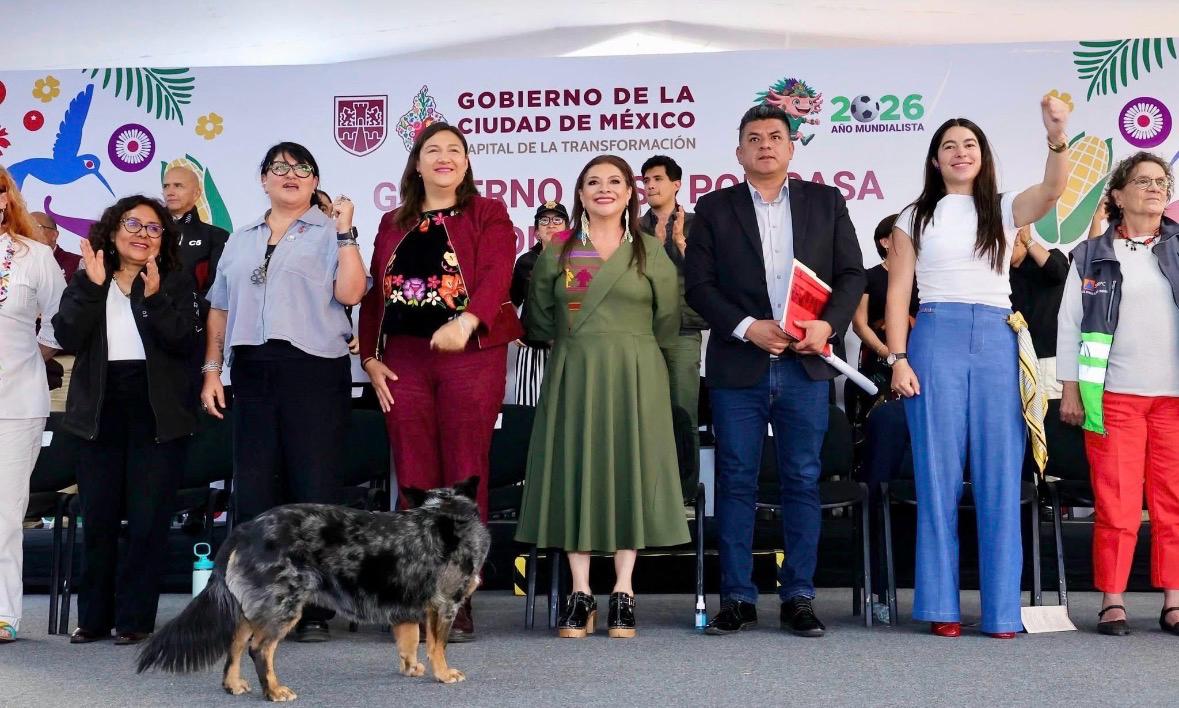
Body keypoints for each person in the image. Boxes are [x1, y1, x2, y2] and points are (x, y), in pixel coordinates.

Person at [886, 96, 1070, 639]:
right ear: (935, 159)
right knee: (937, 476)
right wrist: (897, 358)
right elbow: (898, 296)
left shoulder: (1006, 207)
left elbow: (1055, 189)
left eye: (970, 145)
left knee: (999, 477)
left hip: (997, 337)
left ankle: (1000, 612)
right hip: (935, 338)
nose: (960, 153)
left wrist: (1057, 134)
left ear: (983, 156)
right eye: (949, 146)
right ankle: (941, 606)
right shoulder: (912, 216)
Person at [685, 104, 866, 638]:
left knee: (803, 480)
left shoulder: (825, 202)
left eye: (775, 137)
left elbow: (852, 274)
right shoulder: (714, 208)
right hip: (740, 363)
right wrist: (746, 326)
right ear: (739, 152)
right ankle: (738, 597)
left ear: (791, 148)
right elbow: (699, 286)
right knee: (736, 479)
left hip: (805, 363)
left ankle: (800, 597)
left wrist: (827, 327)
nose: (765, 145)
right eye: (754, 138)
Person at [357, 123, 521, 642]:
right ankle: (413, 596)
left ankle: (456, 600)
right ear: (417, 164)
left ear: (467, 163)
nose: (445, 157)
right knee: (413, 480)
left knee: (464, 478)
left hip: (470, 355)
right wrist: (368, 357)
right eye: (434, 150)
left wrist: (468, 321)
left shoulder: (488, 213)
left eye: (455, 150)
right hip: (404, 360)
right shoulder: (391, 221)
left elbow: (498, 272)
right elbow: (375, 295)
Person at [515, 154, 688, 639]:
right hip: (576, 370)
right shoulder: (562, 249)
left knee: (628, 472)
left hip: (637, 372)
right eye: (594, 182)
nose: (605, 189)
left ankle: (625, 592)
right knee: (577, 473)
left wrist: (632, 348)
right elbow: (541, 320)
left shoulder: (649, 250)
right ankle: (581, 593)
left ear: (631, 192)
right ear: (581, 193)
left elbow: (668, 321)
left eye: (615, 181)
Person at [201, 142, 368, 643]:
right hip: (252, 369)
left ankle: (314, 608)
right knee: (254, 489)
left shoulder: (331, 232)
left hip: (314, 368)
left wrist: (345, 233)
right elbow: (220, 310)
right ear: (263, 179)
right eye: (279, 167)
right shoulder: (240, 239)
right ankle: (257, 601)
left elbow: (353, 294)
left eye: (302, 169)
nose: (290, 175)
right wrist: (212, 368)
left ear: (316, 181)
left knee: (313, 487)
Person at [52, 195, 198, 645]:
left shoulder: (173, 280)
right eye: (133, 224)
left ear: (163, 238)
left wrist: (152, 299)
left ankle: (134, 620)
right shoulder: (89, 276)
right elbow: (65, 334)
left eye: (153, 228)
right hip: (99, 408)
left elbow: (183, 343)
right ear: (113, 232)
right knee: (97, 519)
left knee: (147, 519)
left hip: (155, 411)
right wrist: (92, 288)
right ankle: (93, 619)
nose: (142, 234)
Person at [1057, 151, 1179, 637]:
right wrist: (1070, 389)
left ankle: (1174, 599)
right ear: (1118, 195)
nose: (1155, 188)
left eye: (1162, 181)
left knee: (1174, 501)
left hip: (1175, 400)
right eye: (1144, 181)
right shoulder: (1089, 255)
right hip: (1113, 398)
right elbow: (1069, 325)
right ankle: (1112, 599)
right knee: (1118, 503)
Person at [0, 169, 64, 643]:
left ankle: (3, 614)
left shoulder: (35, 255)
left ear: (6, 200)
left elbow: (63, 319)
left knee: (5, 509)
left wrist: (34, 353)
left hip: (16, 399)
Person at [640, 155, 708, 502]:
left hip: (683, 330)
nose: (650, 186)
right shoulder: (634, 228)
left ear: (676, 184)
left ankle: (683, 497)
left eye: (657, 179)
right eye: (646, 180)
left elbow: (708, 278)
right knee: (645, 416)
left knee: (683, 415)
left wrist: (680, 243)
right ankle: (648, 496)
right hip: (642, 334)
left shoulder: (698, 224)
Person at [849, 213, 918, 427]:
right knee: (878, 419)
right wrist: (887, 353)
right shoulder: (868, 277)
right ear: (885, 242)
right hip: (878, 357)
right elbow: (859, 324)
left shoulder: (923, 276)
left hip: (916, 355)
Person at [510, 200, 567, 406]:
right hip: (532, 347)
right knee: (529, 413)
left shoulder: (580, 259)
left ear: (567, 229)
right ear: (536, 232)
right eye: (544, 221)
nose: (551, 224)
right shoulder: (525, 261)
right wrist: (513, 328)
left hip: (568, 348)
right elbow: (512, 300)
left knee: (566, 410)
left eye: (557, 220)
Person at [1009, 225, 1069, 399]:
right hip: (1018, 363)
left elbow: (1058, 272)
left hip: (1050, 362)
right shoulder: (999, 275)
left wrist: (1028, 240)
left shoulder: (1051, 257)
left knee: (1054, 422)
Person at [162, 165, 228, 298]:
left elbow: (217, 290)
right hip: (146, 314)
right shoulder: (148, 233)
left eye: (178, 185)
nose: (170, 191)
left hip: (194, 316)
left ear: (196, 193)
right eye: (166, 186)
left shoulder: (216, 236)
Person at [29, 211, 80, 283]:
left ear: (54, 235)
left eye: (35, 228)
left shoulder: (76, 263)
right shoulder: (16, 263)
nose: (28, 233)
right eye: (25, 229)